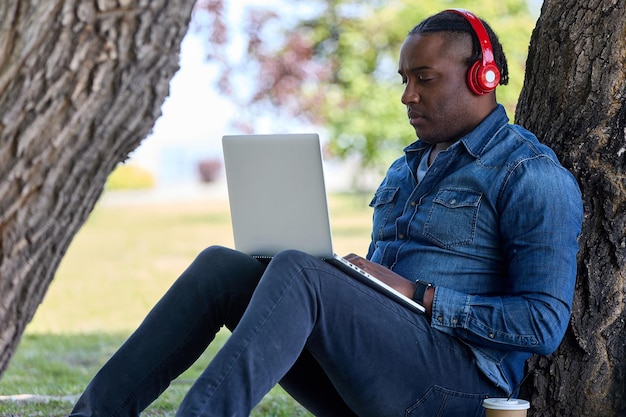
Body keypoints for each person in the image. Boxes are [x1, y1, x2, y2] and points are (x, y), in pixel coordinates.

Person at [70, 8, 583, 417]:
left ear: (482, 76)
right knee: (222, 269)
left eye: (424, 79)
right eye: (405, 79)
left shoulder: (530, 175)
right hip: (374, 378)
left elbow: (543, 323)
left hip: (454, 390)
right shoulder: (407, 169)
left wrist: (416, 293)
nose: (408, 96)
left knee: (302, 270)